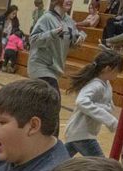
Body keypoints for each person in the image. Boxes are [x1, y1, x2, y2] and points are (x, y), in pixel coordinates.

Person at [29, 0, 86, 135]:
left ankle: (34, 134)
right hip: (41, 66)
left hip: (55, 69)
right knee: (54, 101)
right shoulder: (46, 18)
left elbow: (71, 41)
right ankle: (53, 141)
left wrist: (79, 40)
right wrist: (52, 33)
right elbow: (33, 41)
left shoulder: (69, 21)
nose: (70, 1)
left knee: (43, 106)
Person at [64, 50, 121, 157]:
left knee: (58, 162)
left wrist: (107, 109)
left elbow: (107, 105)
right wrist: (111, 121)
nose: (118, 74)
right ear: (107, 68)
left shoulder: (106, 84)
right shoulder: (95, 84)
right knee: (102, 167)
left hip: (79, 133)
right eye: (117, 70)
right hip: (82, 135)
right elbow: (81, 101)